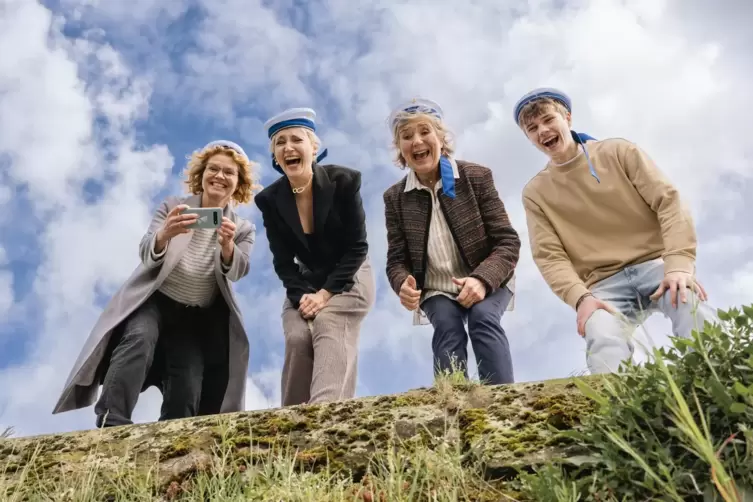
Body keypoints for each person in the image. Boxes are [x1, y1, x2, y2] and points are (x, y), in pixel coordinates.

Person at [52, 140, 261, 427]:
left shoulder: (243, 229)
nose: (219, 176)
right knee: (138, 339)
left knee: (187, 378)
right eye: (213, 169)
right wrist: (165, 234)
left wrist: (227, 245)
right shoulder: (174, 207)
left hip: (195, 316)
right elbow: (147, 253)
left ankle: (174, 434)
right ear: (201, 175)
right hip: (156, 301)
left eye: (228, 172)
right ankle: (112, 421)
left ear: (238, 184)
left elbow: (239, 270)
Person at [514, 87, 720, 374]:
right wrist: (581, 299)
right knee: (600, 332)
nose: (543, 131)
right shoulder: (535, 193)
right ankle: (618, 411)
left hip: (654, 265)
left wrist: (679, 265)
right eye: (532, 128)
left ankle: (719, 384)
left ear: (568, 119)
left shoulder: (618, 152)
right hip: (602, 284)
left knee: (688, 301)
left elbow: (668, 202)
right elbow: (549, 256)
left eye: (549, 120)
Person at [383, 98, 521, 385]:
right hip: (435, 287)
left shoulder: (476, 177)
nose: (417, 141)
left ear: (441, 139)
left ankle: (500, 399)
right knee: (447, 327)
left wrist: (482, 280)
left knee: (483, 319)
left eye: (425, 132)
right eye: (406, 137)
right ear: (400, 150)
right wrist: (403, 283)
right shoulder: (395, 198)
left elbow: (507, 243)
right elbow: (397, 260)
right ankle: (452, 404)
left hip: (488, 275)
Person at [254, 107, 375, 407]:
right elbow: (283, 262)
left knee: (329, 323)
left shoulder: (345, 181)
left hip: (350, 274)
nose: (288, 147)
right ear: (275, 156)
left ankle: (324, 414)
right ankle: (290, 422)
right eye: (280, 142)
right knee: (297, 337)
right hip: (305, 281)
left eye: (296, 139)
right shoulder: (269, 200)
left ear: (314, 148)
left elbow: (358, 247)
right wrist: (305, 296)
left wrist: (325, 296)